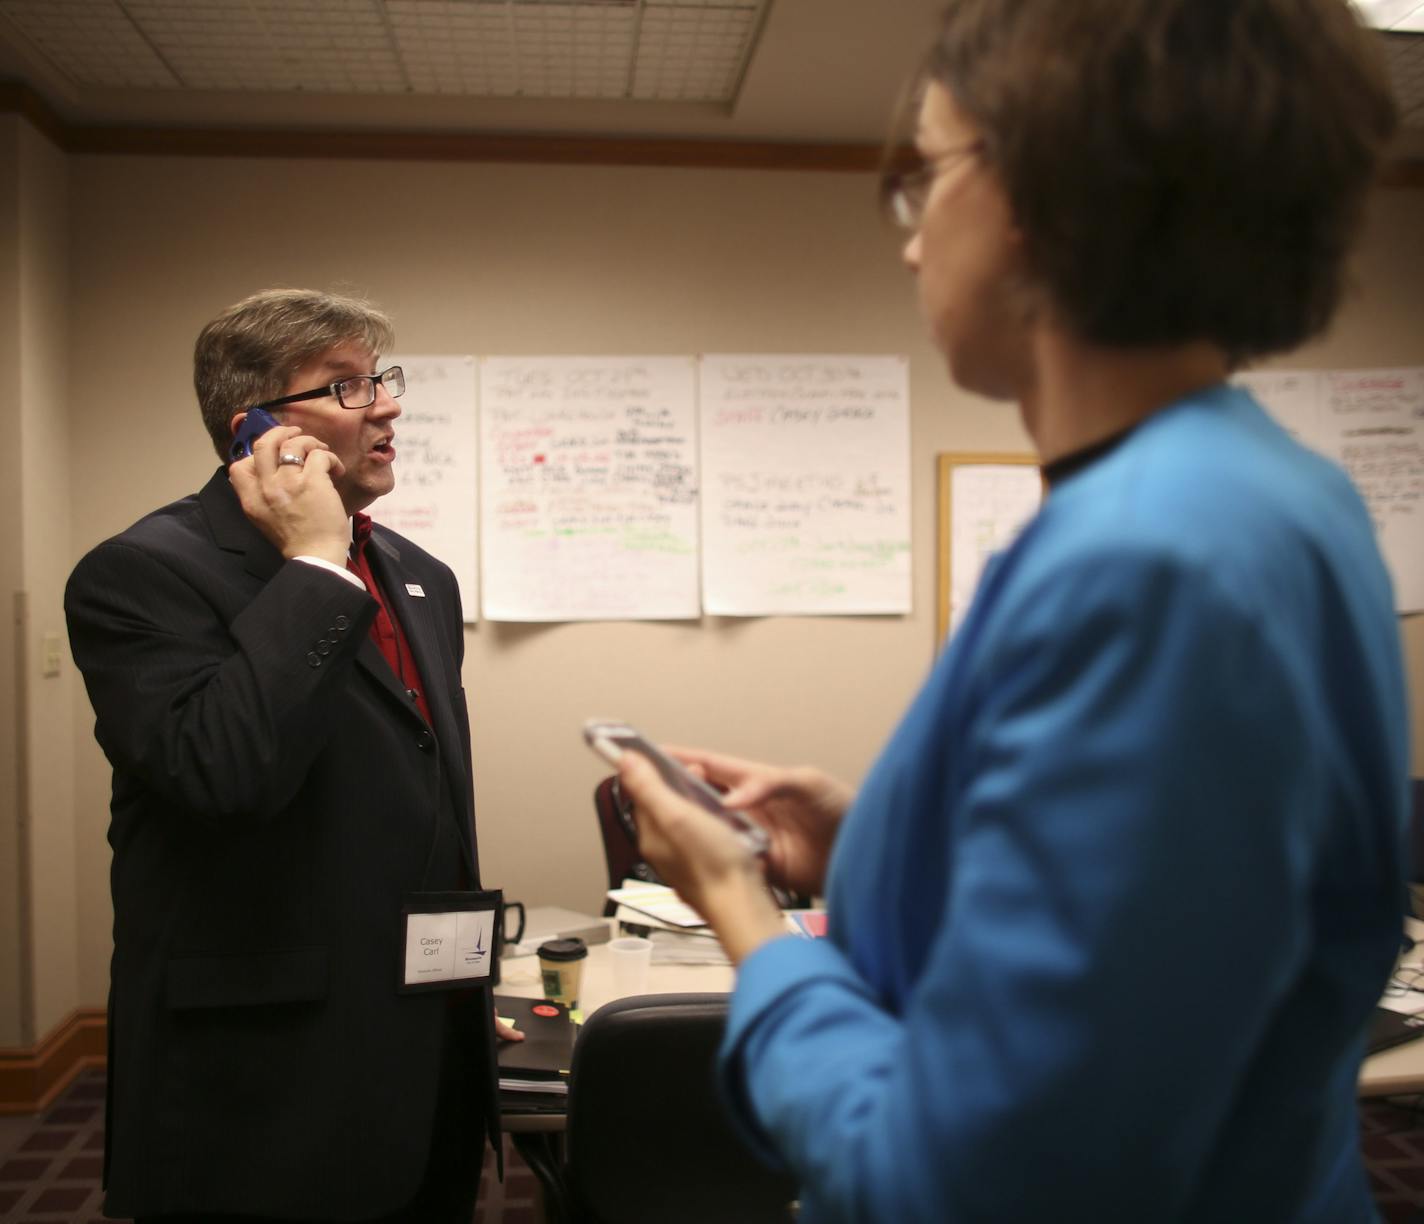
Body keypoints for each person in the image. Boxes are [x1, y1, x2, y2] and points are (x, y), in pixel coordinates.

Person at [617, 2, 1410, 1220]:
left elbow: (950, 1179)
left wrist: (735, 906)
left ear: (1049, 189)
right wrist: (878, 834)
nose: (911, 245)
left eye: (926, 178)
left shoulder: (1146, 560)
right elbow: (1187, 941)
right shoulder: (1269, 491)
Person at [65, 289, 510, 1223]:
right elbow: (222, 773)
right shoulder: (141, 573)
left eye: (382, 378)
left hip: (424, 1044)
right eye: (348, 387)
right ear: (259, 431)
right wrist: (312, 564)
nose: (387, 405)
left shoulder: (421, 575)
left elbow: (421, 797)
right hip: (266, 1078)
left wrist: (458, 998)